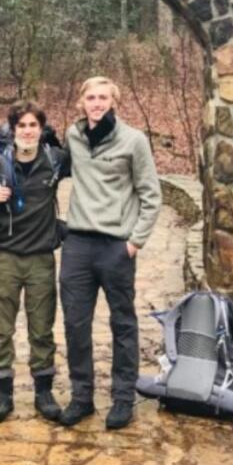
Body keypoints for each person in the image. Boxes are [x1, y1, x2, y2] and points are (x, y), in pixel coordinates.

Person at [58, 76, 162, 430]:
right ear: (81, 102)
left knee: (122, 323)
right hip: (78, 246)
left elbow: (151, 195)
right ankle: (82, 397)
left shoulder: (134, 141)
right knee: (74, 324)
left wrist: (134, 242)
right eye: (91, 97)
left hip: (116, 247)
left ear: (113, 101)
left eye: (103, 97)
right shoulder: (73, 136)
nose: (97, 103)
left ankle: (122, 398)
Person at [0, 101, 69, 424]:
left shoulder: (55, 161)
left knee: (42, 330)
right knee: (1, 330)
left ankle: (43, 392)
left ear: (41, 130)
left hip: (40, 259)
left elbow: (94, 170)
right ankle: (3, 394)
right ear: (12, 131)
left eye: (33, 125)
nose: (27, 131)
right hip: (4, 259)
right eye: (21, 126)